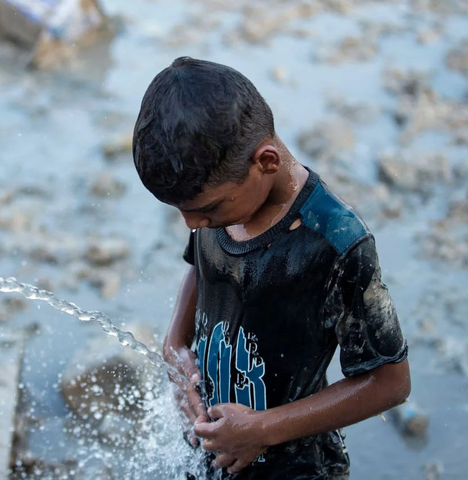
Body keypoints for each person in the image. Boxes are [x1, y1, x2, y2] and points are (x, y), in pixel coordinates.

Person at [132, 56, 411, 479]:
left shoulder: (335, 241)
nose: (192, 225)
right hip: (210, 450)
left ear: (266, 162)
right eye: (182, 212)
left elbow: (390, 382)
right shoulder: (222, 202)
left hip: (292, 467)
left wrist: (262, 429)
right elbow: (202, 268)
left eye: (203, 210)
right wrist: (176, 344)